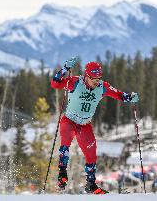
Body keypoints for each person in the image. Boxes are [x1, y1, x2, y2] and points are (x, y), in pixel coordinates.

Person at [51, 57, 139, 194]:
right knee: (65, 144)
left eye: (99, 78)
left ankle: (91, 185)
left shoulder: (102, 86)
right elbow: (55, 84)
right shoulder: (75, 82)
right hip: (69, 121)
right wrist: (65, 69)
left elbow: (118, 95)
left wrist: (130, 97)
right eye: (94, 79)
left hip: (85, 125)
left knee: (91, 155)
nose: (96, 82)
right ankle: (62, 175)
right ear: (86, 76)